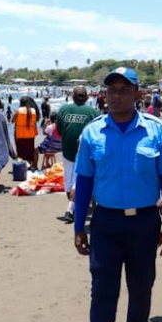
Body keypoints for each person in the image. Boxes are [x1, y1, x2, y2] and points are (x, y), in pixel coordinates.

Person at [73, 67, 162, 322]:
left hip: (144, 223)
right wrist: (79, 225)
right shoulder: (92, 133)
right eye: (111, 90)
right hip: (105, 223)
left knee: (141, 287)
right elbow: (85, 182)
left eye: (124, 89)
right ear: (104, 95)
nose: (116, 95)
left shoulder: (155, 132)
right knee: (102, 292)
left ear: (137, 94)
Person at [57, 85, 99, 224]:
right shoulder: (93, 111)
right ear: (87, 97)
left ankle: (72, 207)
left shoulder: (64, 109)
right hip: (85, 151)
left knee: (69, 181)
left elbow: (59, 129)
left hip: (68, 150)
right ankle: (75, 207)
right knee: (81, 179)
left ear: (72, 96)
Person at [12, 96, 40, 170]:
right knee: (29, 151)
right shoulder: (33, 110)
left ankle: (21, 167)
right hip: (31, 134)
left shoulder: (19, 110)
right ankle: (30, 165)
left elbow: (13, 120)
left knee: (20, 151)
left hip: (20, 134)